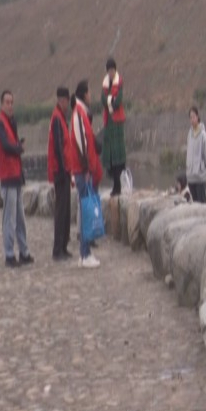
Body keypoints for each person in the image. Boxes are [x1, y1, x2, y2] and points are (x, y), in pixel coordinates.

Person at [0, 90, 31, 268]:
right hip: (8, 176)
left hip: (16, 175)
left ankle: (24, 251)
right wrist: (19, 147)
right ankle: (9, 254)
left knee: (20, 217)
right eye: (7, 102)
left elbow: (13, 145)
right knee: (9, 218)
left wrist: (17, 147)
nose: (10, 105)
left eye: (12, 102)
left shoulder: (11, 122)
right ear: (2, 104)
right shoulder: (0, 123)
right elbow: (6, 145)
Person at [71, 79, 104, 268]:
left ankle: (85, 252)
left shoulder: (79, 113)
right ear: (84, 94)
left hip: (83, 170)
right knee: (86, 212)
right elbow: (82, 144)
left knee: (85, 210)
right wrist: (87, 168)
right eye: (89, 93)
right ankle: (85, 254)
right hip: (83, 170)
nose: (91, 96)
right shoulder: (79, 114)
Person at [48, 87, 78, 262]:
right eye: (66, 101)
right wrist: (63, 169)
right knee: (61, 211)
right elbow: (59, 147)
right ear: (62, 100)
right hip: (61, 171)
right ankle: (57, 248)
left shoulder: (60, 117)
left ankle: (63, 246)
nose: (67, 104)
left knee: (65, 210)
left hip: (65, 170)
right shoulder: (57, 119)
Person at [100, 58, 127, 197]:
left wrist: (109, 102)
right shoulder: (105, 84)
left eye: (112, 70)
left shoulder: (119, 82)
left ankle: (118, 186)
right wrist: (111, 101)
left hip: (116, 122)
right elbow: (103, 100)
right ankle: (115, 184)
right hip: (108, 122)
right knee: (110, 157)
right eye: (109, 70)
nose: (110, 73)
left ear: (115, 70)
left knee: (117, 158)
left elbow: (118, 101)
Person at [185, 105, 206, 204]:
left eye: (194, 117)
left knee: (202, 203)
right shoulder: (189, 134)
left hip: (200, 175)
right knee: (193, 203)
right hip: (191, 175)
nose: (192, 119)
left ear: (197, 116)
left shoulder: (203, 135)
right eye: (190, 117)